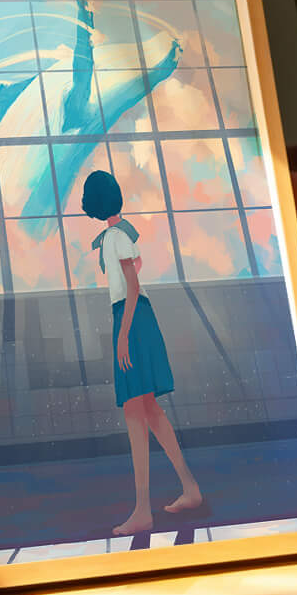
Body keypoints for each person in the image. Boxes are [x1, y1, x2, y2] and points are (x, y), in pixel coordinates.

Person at [82, 168, 205, 536]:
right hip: (137, 319)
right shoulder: (121, 234)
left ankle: (142, 510)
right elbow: (135, 274)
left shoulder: (116, 236)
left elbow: (131, 288)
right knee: (147, 409)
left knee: (135, 412)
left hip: (132, 320)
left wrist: (122, 335)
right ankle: (190, 488)